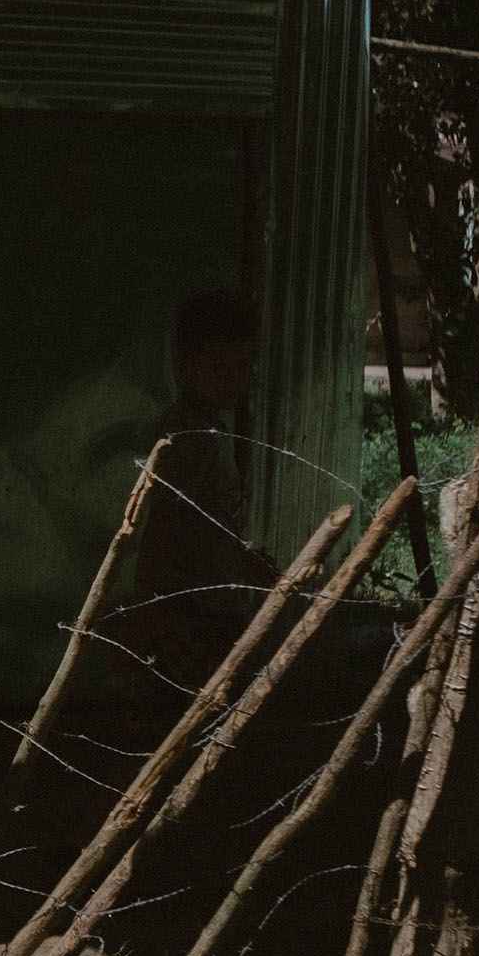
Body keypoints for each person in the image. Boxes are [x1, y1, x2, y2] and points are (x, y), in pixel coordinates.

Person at [131, 288, 279, 692]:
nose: (234, 380)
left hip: (204, 607)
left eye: (242, 366)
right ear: (185, 366)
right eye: (218, 368)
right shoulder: (185, 436)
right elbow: (178, 532)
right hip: (187, 614)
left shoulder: (210, 429)